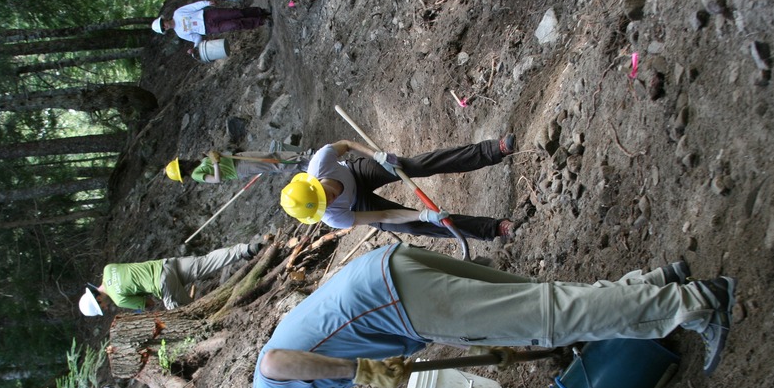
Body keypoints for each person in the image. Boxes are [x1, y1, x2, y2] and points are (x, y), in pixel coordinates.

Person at [226, 244, 737, 388]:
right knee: (542, 302)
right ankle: (654, 285)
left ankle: (697, 304)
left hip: (395, 303)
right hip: (386, 274)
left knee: (546, 317)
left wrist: (360, 369)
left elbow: (274, 362)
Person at [278, 136, 520, 241]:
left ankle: (493, 150)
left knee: (414, 165)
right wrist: (423, 214)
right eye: (322, 208)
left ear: (314, 184)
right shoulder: (334, 217)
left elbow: (347, 144)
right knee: (415, 225)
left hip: (356, 173)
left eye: (324, 197)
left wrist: (378, 156)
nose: (328, 203)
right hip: (359, 206)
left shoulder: (320, 162)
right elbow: (384, 215)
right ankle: (494, 229)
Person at [79, 241, 264, 315]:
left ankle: (224, 318)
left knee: (185, 314)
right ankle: (245, 249)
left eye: (100, 305)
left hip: (163, 284)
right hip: (166, 265)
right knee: (206, 261)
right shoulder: (108, 268)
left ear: (97, 297)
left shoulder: (119, 299)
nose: (105, 306)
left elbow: (149, 303)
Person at [152, 1, 270, 52]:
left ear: (164, 19)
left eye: (163, 24)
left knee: (236, 13)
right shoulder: (180, 33)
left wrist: (206, 3)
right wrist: (195, 47)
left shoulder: (178, 13)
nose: (165, 26)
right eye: (163, 28)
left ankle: (260, 11)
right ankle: (261, 21)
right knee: (235, 25)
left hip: (208, 15)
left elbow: (193, 7)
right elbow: (196, 37)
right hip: (209, 29)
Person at [166, 146, 311, 185]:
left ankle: (303, 158)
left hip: (237, 159)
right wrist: (215, 162)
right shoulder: (196, 175)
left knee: (271, 157)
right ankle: (306, 164)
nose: (184, 160)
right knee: (273, 165)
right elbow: (217, 179)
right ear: (182, 168)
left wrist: (210, 156)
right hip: (239, 168)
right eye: (181, 162)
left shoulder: (198, 165)